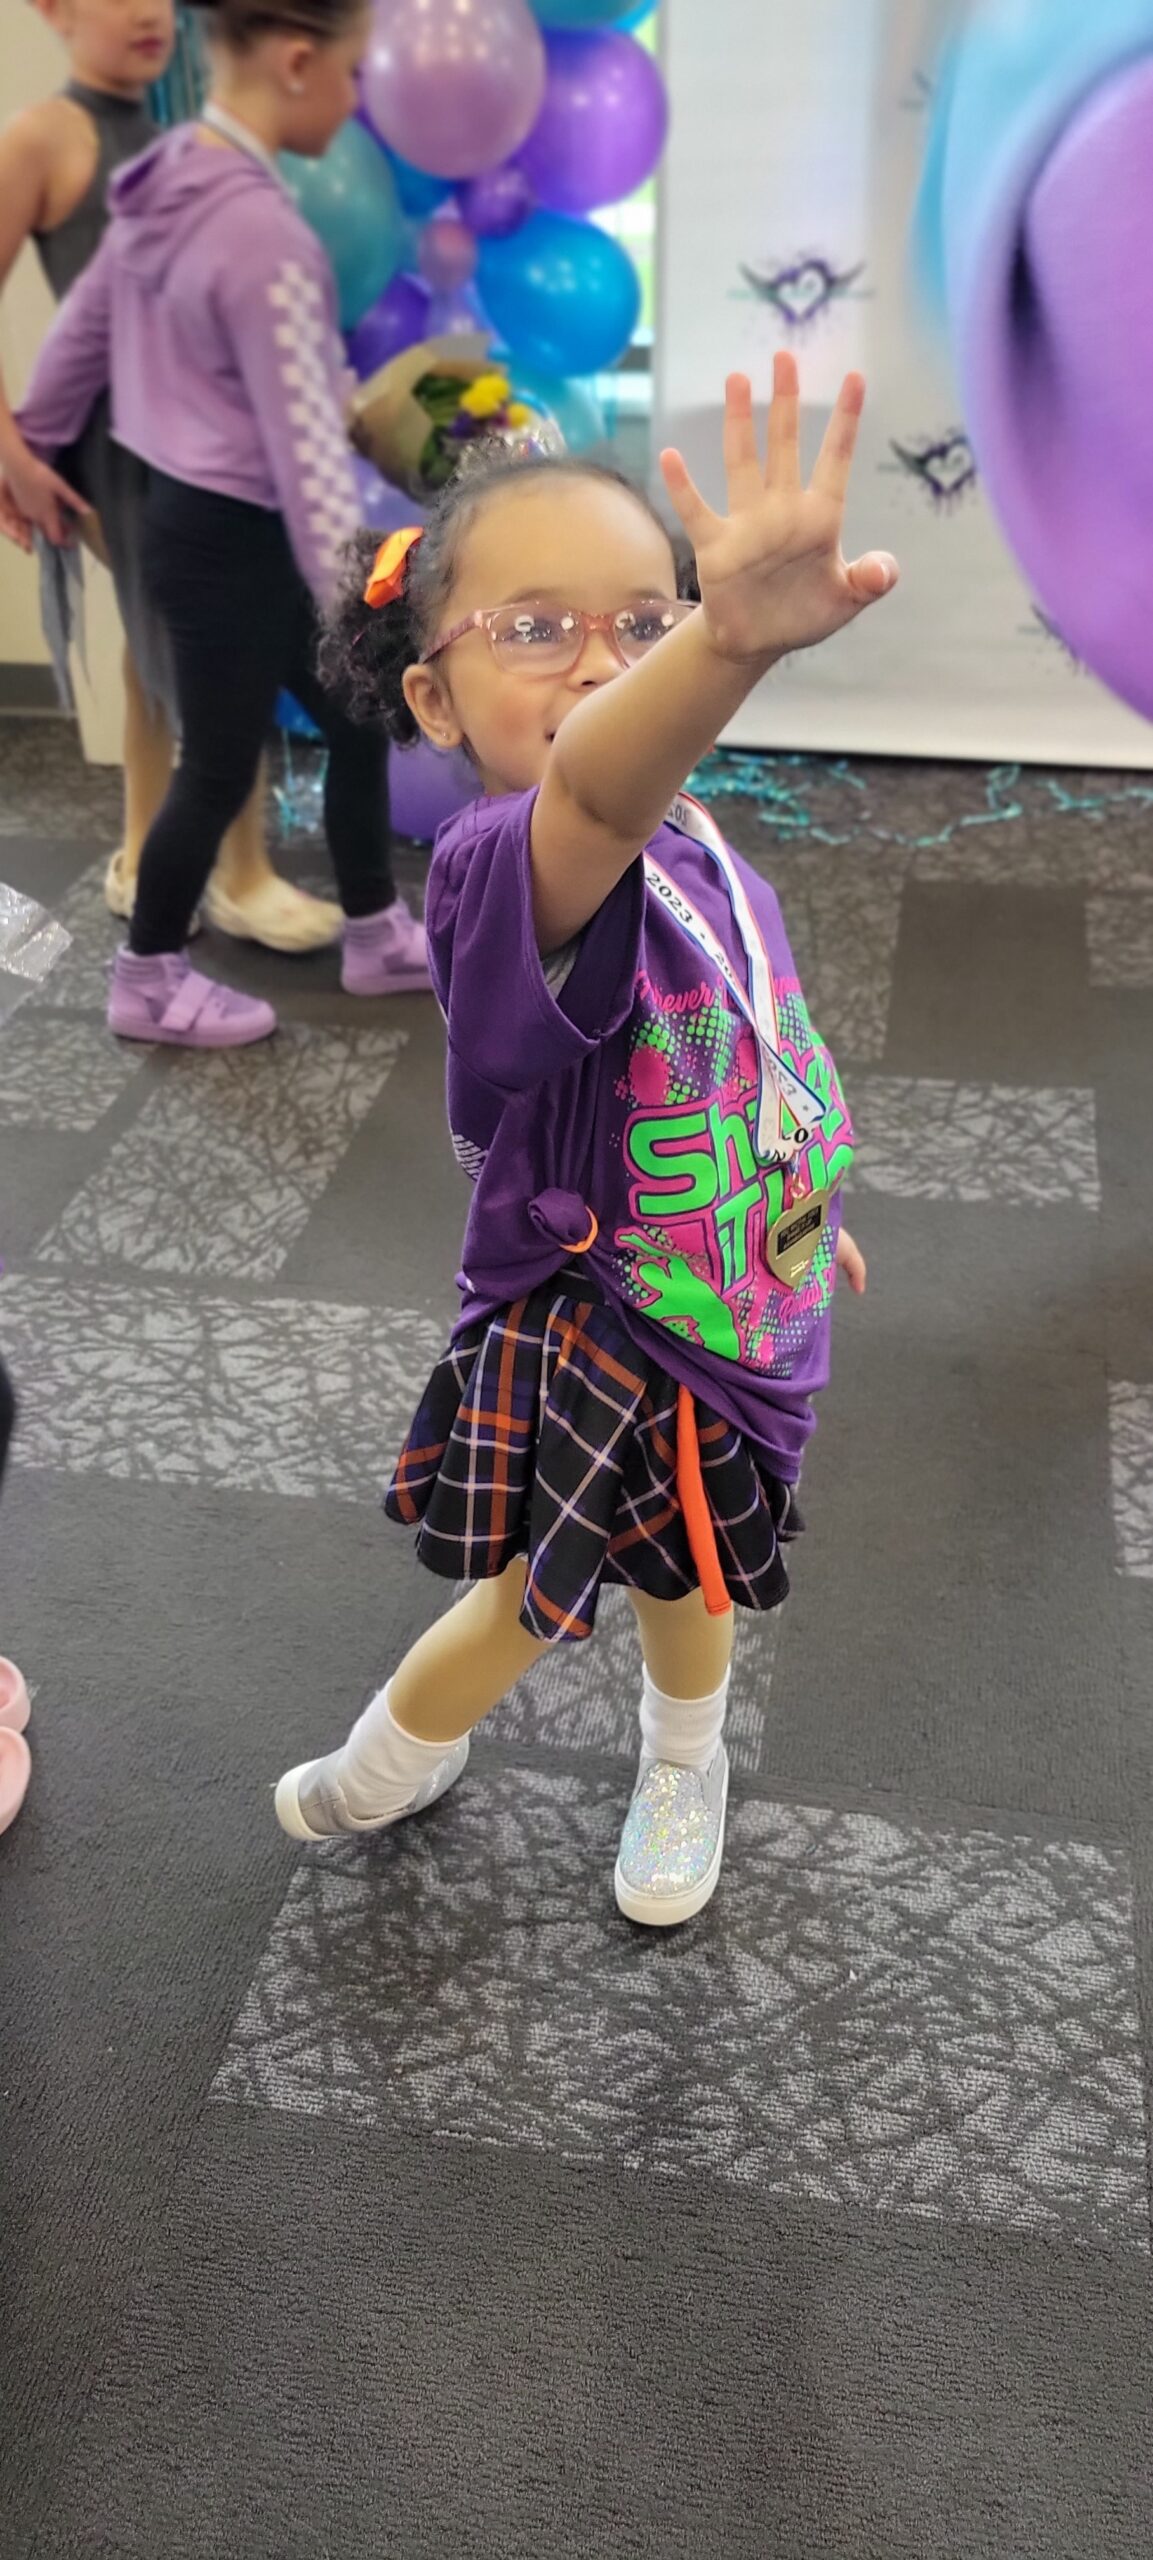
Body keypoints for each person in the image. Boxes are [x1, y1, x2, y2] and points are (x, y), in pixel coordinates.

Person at [274, 357, 896, 1926]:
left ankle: (685, 1762)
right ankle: (397, 1750)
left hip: (727, 1286)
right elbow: (599, 793)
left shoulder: (694, 837)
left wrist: (803, 1207)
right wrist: (722, 646)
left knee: (691, 1575)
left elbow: (750, 1040)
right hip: (597, 1314)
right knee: (526, 1597)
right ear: (432, 698)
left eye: (640, 621)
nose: (604, 666)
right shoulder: (507, 858)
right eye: (535, 629)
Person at [12, 0, 429, 1050]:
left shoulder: (167, 178)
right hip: (231, 536)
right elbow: (305, 453)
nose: (357, 99)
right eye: (351, 73)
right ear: (295, 62)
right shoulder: (265, 239)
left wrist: (35, 441)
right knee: (218, 764)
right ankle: (147, 979)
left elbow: (81, 335)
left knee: (351, 719)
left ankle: (375, 929)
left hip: (197, 525)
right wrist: (361, 606)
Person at [0, 0, 341, 955]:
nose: (151, 11)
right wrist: (14, 457)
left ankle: (145, 854)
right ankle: (237, 874)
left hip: (190, 433)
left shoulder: (177, 144)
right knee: (211, 640)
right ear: (55, 10)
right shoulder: (41, 137)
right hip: (109, 456)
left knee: (167, 645)